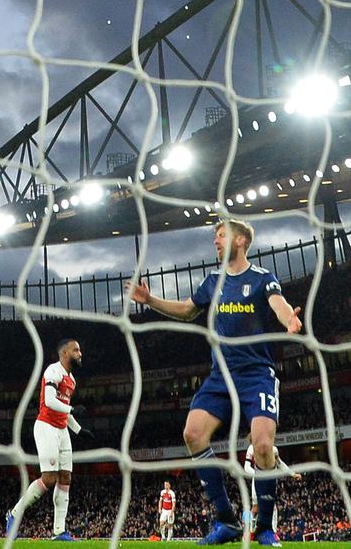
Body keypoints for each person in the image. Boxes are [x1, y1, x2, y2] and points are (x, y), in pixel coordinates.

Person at [126, 219, 303, 546]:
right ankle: (227, 521)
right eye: (215, 237)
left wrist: (288, 318)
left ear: (240, 240)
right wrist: (150, 301)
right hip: (221, 375)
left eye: (221, 236)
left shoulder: (263, 278)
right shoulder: (213, 281)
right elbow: (188, 310)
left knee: (263, 446)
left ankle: (264, 527)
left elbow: (278, 304)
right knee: (193, 433)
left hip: (256, 375)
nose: (216, 242)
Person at [6, 338, 89, 541]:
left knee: (66, 478)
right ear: (64, 353)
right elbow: (50, 401)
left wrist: (79, 430)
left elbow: (65, 411)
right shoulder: (53, 371)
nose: (80, 354)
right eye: (75, 350)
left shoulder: (72, 380)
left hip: (62, 430)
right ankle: (13, 515)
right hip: (46, 427)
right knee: (49, 478)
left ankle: (59, 532)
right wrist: (71, 408)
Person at [244, 443, 301, 536]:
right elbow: (246, 467)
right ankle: (250, 533)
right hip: (258, 479)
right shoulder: (251, 448)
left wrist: (292, 474)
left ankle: (273, 533)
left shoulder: (274, 449)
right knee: (255, 508)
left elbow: (280, 463)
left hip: (271, 479)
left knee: (272, 506)